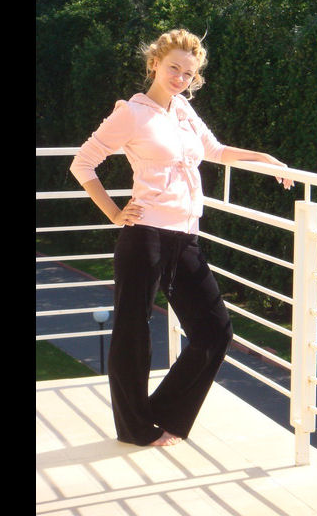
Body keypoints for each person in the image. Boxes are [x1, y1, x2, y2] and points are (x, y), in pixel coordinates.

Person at [70, 28, 293, 447]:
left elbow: (216, 151)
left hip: (185, 236)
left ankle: (162, 414)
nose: (180, 78)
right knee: (133, 335)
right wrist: (115, 213)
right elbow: (83, 163)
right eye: (174, 68)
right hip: (145, 236)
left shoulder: (184, 110)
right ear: (154, 63)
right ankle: (135, 429)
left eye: (188, 73)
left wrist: (264, 158)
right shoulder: (132, 113)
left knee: (215, 332)